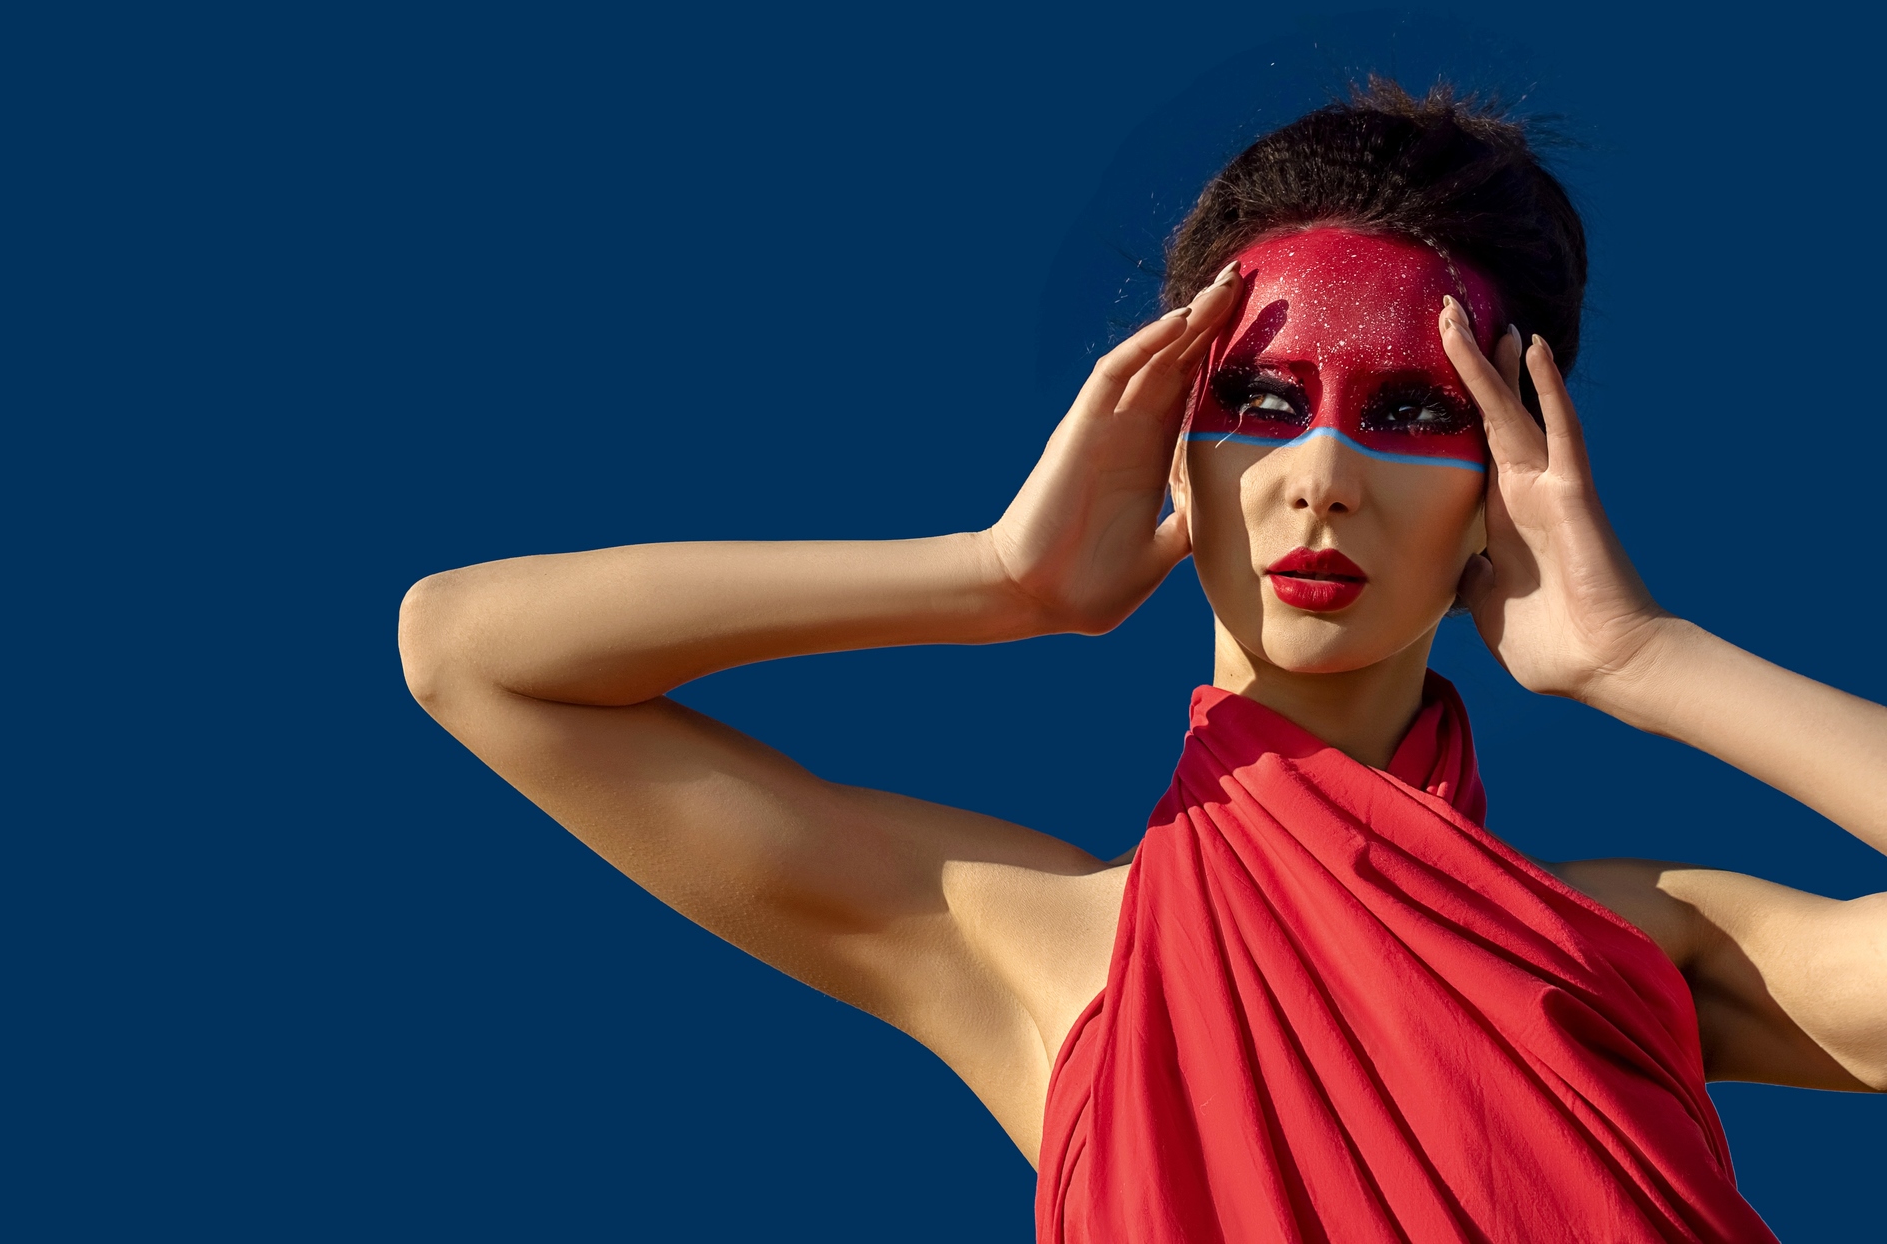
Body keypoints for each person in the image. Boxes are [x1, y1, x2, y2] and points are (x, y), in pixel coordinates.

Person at [397, 81, 1885, 1241]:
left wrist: (1644, 655)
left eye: (1416, 413)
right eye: (1256, 394)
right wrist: (992, 578)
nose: (1321, 473)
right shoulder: (1036, 956)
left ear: (1508, 487)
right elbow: (467, 653)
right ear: (1170, 440)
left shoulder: (1644, 949)